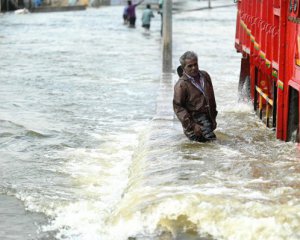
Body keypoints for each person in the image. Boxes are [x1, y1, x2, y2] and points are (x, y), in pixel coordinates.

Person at [173, 51, 218, 142]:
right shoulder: (181, 85)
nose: (194, 68)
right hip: (195, 124)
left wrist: (213, 118)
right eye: (190, 66)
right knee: (212, 146)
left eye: (195, 64)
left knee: (209, 148)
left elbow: (212, 98)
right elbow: (178, 108)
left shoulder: (205, 76)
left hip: (208, 121)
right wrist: (193, 126)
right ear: (183, 68)